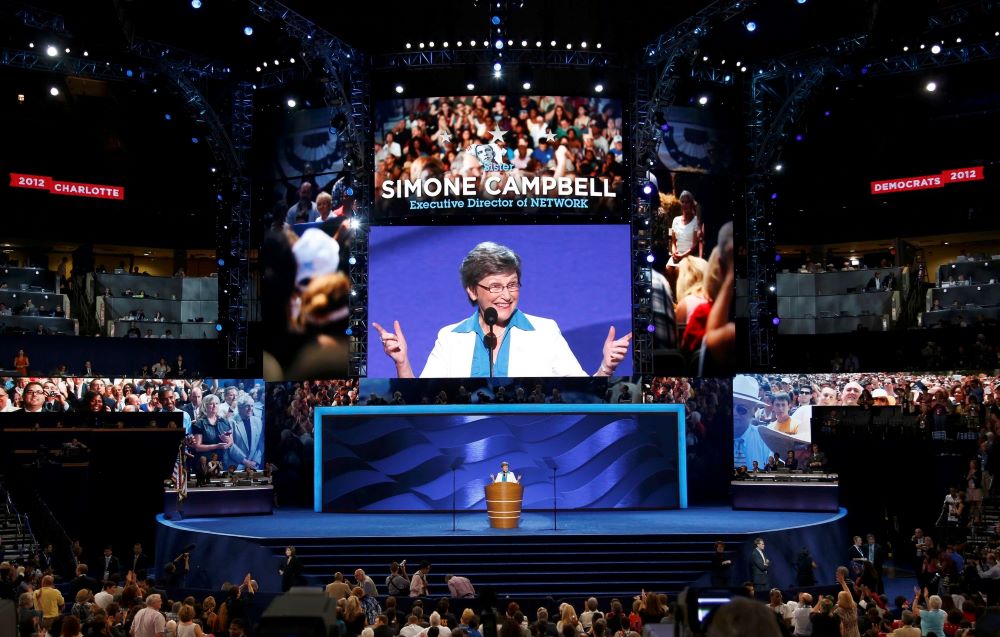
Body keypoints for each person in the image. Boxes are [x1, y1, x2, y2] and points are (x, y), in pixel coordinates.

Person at [373, 242, 632, 378]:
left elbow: (581, 396)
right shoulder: (450, 337)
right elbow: (421, 403)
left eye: (512, 285)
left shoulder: (544, 331)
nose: (506, 296)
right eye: (495, 287)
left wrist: (605, 368)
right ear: (473, 291)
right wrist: (402, 362)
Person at [227, 395, 263, 471]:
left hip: (254, 465)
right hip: (237, 465)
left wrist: (255, 461)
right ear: (240, 408)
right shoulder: (231, 422)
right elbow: (230, 445)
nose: (250, 409)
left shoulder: (258, 421)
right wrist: (245, 461)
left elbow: (261, 443)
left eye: (252, 406)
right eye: (247, 406)